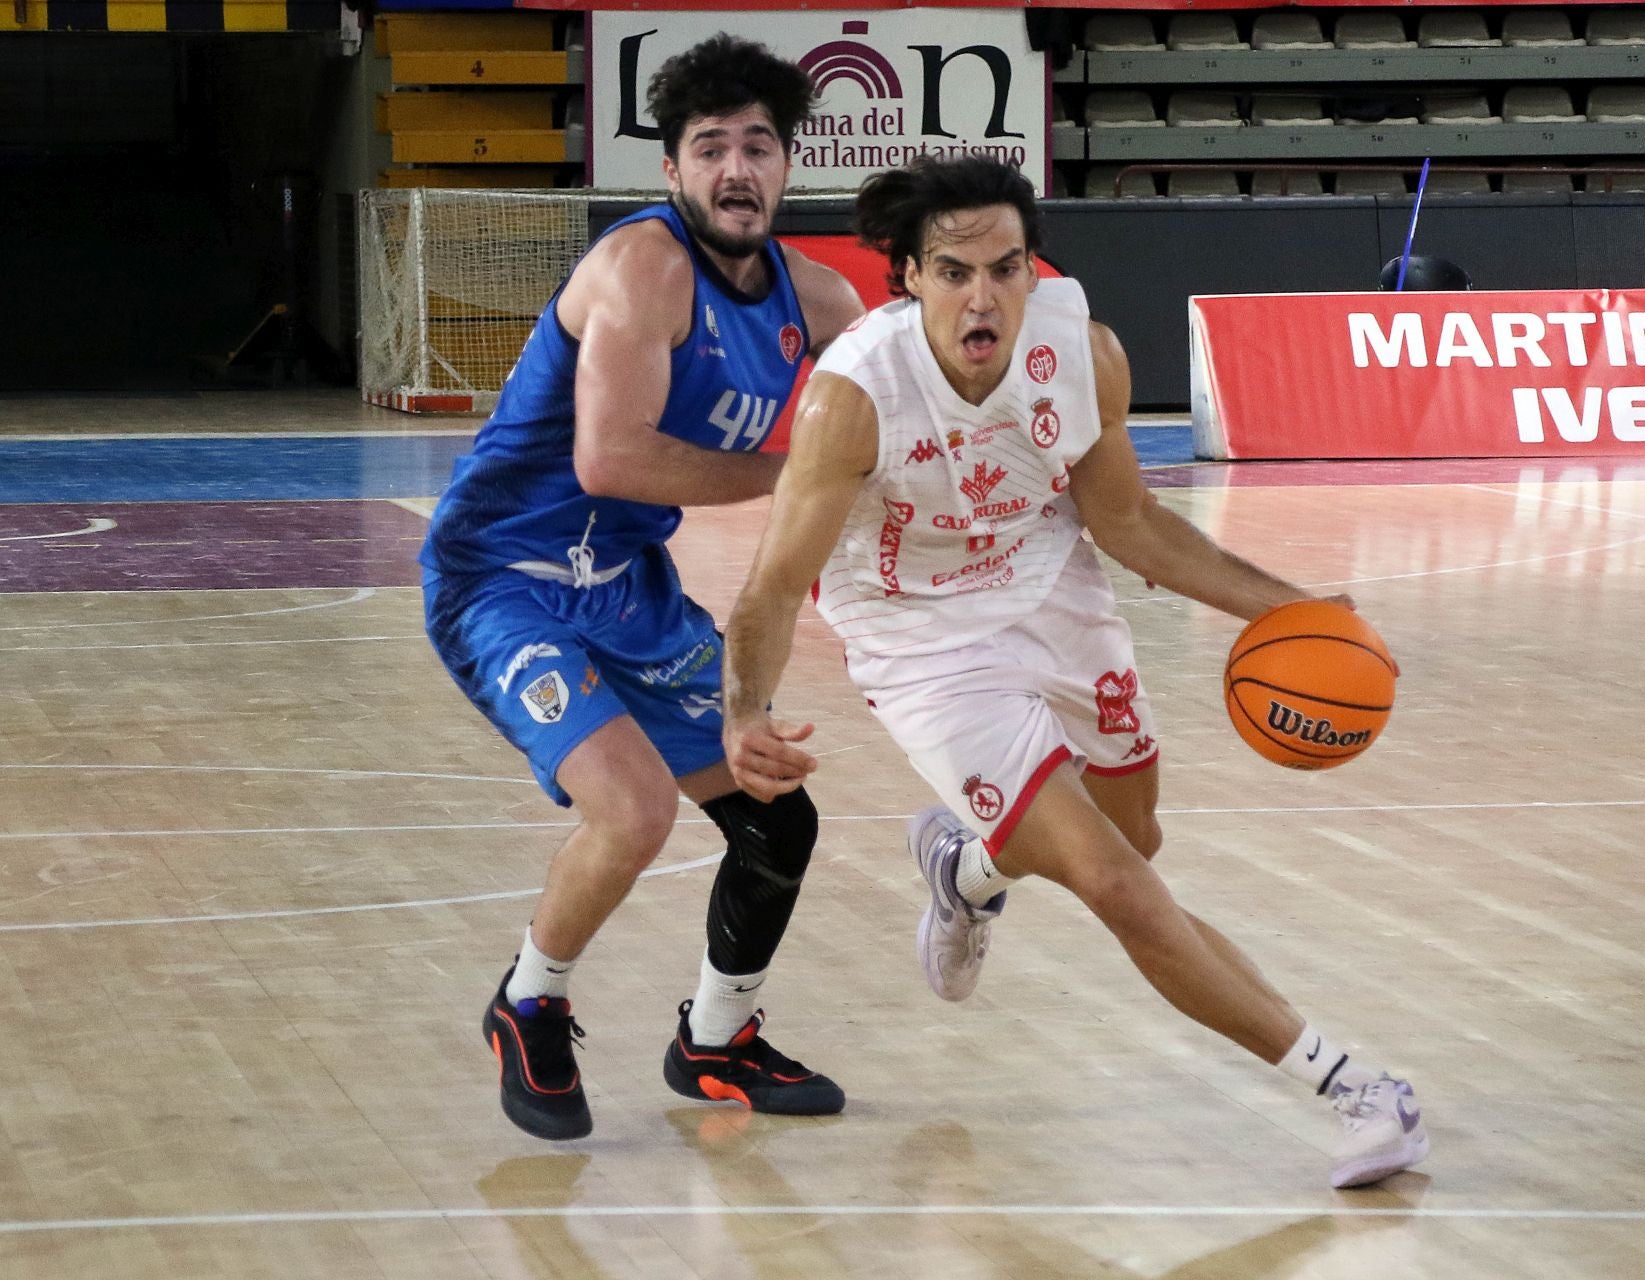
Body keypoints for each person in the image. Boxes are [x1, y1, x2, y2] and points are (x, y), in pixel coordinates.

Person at [718, 155, 1430, 1189]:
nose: (984, 295)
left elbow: (1133, 526)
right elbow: (774, 585)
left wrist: (1297, 607)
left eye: (1006, 268)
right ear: (910, 276)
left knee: (1131, 831)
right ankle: (1358, 1088)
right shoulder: (854, 400)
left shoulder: (1080, 354)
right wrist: (747, 710)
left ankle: (965, 872)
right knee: (1116, 880)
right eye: (955, 271)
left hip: (1050, 580)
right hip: (919, 637)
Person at [419, 34, 865, 1141]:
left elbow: (895, 407)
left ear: (787, 164)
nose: (736, 168)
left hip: (628, 581)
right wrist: (799, 474)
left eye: (757, 145)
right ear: (671, 172)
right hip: (504, 576)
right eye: (709, 147)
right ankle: (530, 1002)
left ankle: (715, 1039)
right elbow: (608, 460)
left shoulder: (821, 296)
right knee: (635, 808)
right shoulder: (640, 269)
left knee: (778, 818)